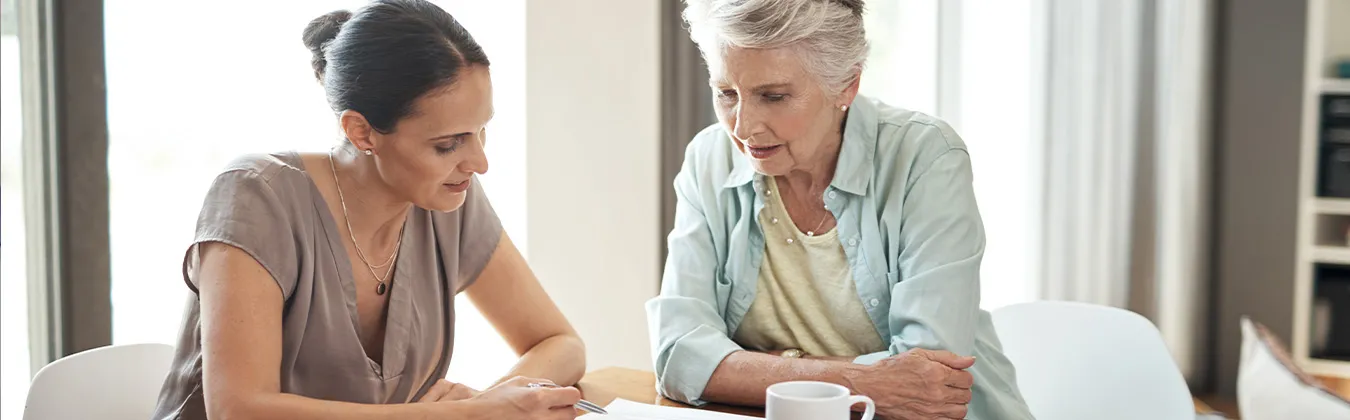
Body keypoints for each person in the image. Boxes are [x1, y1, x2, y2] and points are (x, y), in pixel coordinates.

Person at [151, 1, 585, 419]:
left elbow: (560, 343)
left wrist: (492, 404)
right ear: (362, 131)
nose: (479, 163)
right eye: (447, 144)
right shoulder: (257, 197)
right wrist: (467, 415)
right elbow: (239, 411)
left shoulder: (449, 197)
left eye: (481, 131)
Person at [646, 1, 1036, 419]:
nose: (743, 127)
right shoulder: (710, 158)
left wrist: (755, 371)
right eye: (726, 94)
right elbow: (678, 355)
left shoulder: (925, 157)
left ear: (846, 86)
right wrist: (855, 380)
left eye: (773, 96)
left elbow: (926, 381)